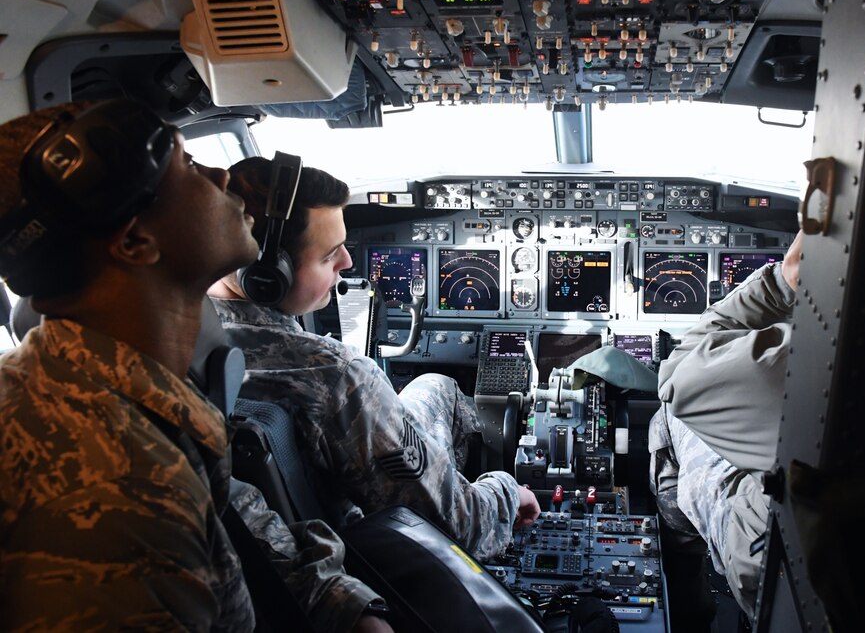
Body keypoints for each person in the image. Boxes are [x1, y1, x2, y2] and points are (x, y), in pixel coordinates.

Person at [0, 100, 390, 631]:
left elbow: (237, 515)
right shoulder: (115, 492)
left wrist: (343, 606)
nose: (220, 171)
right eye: (185, 165)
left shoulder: (131, 386)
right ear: (136, 242)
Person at [208, 156, 540, 562]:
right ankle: (449, 486)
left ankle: (439, 479)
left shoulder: (183, 340)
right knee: (441, 397)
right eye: (330, 254)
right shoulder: (336, 376)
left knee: (437, 385)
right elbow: (461, 528)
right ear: (266, 273)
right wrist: (508, 488)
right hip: (361, 551)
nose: (348, 262)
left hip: (265, 547)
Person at [649, 232, 802, 623]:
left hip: (765, 551)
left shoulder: (803, 357)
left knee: (670, 414)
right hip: (831, 534)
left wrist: (783, 283)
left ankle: (685, 576)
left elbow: (676, 374)